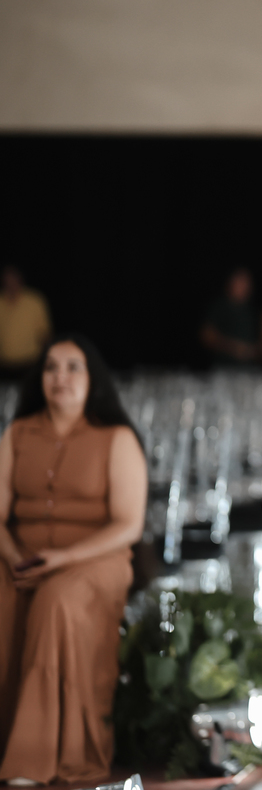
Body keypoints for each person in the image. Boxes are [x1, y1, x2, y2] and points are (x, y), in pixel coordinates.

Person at [0, 335, 147, 785]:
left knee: (56, 601)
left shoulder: (116, 437)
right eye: (50, 367)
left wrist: (63, 558)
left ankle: (34, 760)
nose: (59, 377)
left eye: (72, 367)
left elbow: (129, 525)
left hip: (95, 560)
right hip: (21, 556)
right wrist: (14, 558)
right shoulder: (18, 433)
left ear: (92, 379)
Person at [0, 267, 52, 380]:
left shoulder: (34, 300)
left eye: (13, 277)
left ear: (20, 278)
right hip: (3, 364)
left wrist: (48, 359)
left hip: (29, 363)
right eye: (7, 279)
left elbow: (44, 333)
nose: (10, 282)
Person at [200, 267, 258, 367]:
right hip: (223, 367)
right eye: (240, 281)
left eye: (247, 282)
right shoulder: (220, 306)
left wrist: (253, 350)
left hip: (249, 369)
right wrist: (234, 348)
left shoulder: (252, 310)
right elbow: (206, 336)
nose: (244, 286)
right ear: (230, 282)